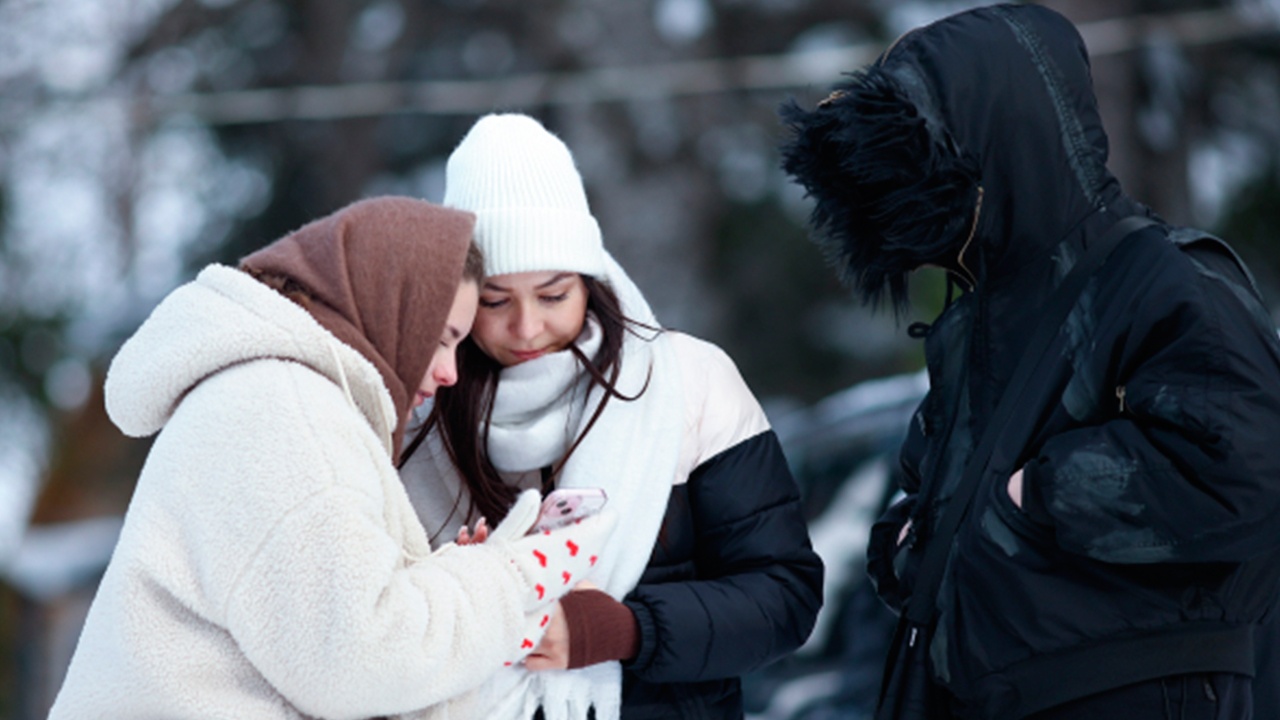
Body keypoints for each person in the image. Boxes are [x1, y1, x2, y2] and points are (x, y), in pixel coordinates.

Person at [777, 4, 1280, 720]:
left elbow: (1248, 467)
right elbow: (927, 494)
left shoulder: (1161, 280)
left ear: (998, 136)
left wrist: (1034, 496)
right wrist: (906, 546)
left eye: (925, 158)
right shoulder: (981, 324)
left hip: (1129, 693)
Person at [50, 196, 614, 719]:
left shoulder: (290, 401)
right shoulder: (286, 413)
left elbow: (320, 629)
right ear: (390, 308)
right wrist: (516, 576)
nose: (449, 373)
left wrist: (444, 578)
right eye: (441, 339)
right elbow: (362, 658)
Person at [397, 113, 824, 720]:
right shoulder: (422, 406)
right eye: (494, 302)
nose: (527, 328)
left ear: (591, 280)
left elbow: (785, 597)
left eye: (552, 295)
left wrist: (628, 630)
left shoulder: (687, 382)